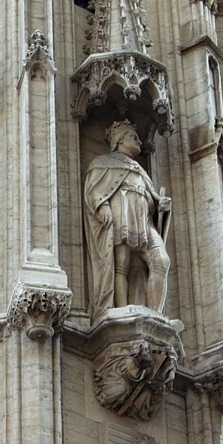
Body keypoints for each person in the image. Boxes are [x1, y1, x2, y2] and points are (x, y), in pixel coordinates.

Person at [83, 120, 171, 319]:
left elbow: (151, 198)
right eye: (133, 137)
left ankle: (156, 314)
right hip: (121, 213)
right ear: (119, 141)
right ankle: (120, 309)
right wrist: (102, 205)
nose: (139, 141)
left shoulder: (140, 170)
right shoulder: (102, 163)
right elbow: (94, 189)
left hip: (144, 220)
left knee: (160, 261)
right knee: (121, 262)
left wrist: (160, 205)